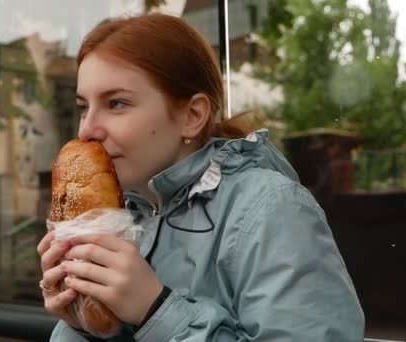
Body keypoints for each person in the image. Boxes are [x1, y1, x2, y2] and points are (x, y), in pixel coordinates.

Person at [37, 13, 365, 341]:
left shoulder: (271, 209)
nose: (87, 130)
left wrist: (155, 310)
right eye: (83, 107)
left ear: (192, 116)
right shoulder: (127, 216)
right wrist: (86, 327)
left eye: (116, 103)